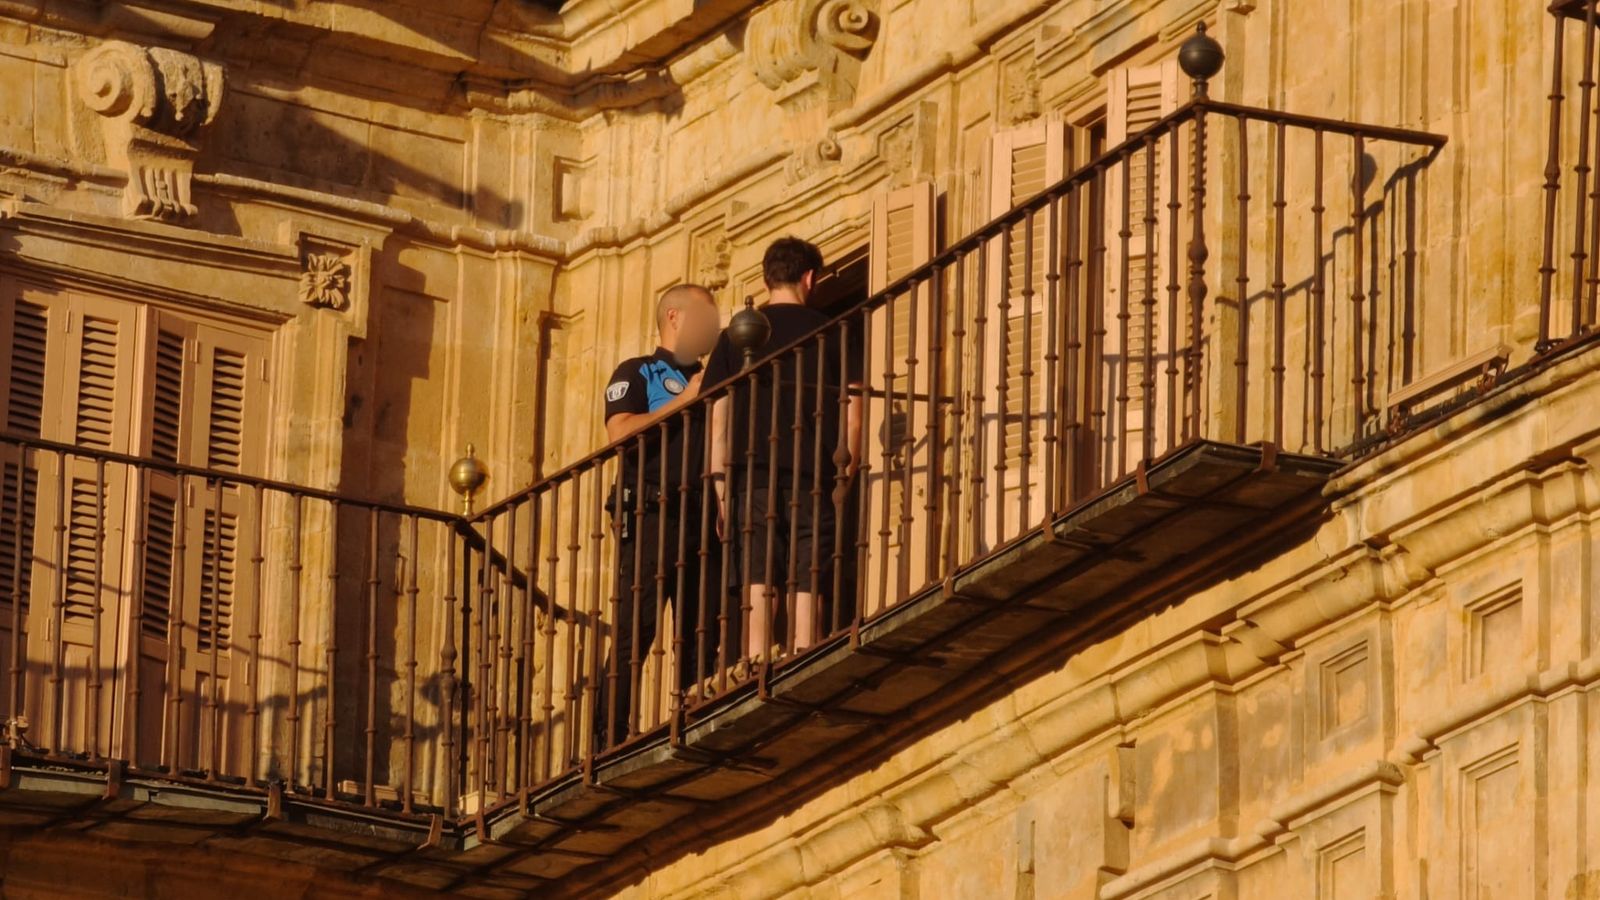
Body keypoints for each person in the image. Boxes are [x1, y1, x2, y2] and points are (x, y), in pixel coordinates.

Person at [703, 238, 862, 663]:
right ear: (809, 278)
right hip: (812, 477)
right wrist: (844, 478)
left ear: (766, 278)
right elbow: (855, 415)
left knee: (758, 578)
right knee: (808, 578)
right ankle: (804, 655)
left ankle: (755, 663)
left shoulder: (734, 336)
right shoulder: (834, 329)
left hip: (750, 479)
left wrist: (721, 493)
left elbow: (718, 421)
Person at [598, 283, 721, 749]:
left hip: (700, 512)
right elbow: (620, 432)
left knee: (701, 622)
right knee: (640, 621)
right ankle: (607, 733)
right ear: (675, 317)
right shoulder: (639, 371)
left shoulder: (711, 376)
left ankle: (697, 714)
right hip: (651, 507)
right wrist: (684, 401)